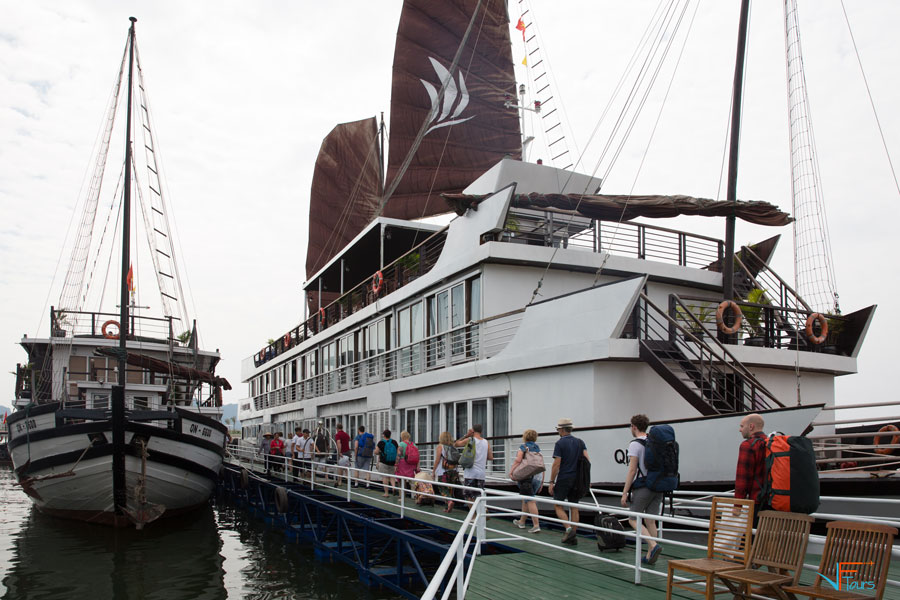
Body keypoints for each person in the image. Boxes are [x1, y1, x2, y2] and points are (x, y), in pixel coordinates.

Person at [620, 414, 662, 564]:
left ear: (634, 427)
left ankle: (653, 545)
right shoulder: (654, 441)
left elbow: (632, 470)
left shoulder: (635, 444)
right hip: (658, 485)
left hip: (644, 486)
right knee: (650, 521)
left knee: (633, 519)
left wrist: (625, 492)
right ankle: (651, 555)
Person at [548, 417, 588, 545]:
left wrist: (551, 481)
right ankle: (573, 534)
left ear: (561, 430)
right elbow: (587, 461)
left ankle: (568, 529)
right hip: (577, 479)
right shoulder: (580, 442)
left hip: (565, 477)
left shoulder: (560, 443)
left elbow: (556, 464)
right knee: (574, 506)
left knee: (558, 505)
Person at [509, 428, 542, 533]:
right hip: (537, 477)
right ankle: (522, 522)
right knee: (525, 499)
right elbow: (541, 463)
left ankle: (536, 525)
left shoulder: (523, 447)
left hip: (526, 477)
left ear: (525, 437)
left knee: (531, 500)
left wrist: (512, 471)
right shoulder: (537, 448)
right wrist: (542, 480)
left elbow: (518, 460)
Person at [454, 424, 493, 504]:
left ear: (473, 431)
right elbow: (490, 457)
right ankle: (483, 513)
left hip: (470, 473)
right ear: (481, 431)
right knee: (478, 497)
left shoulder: (469, 440)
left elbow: (456, 444)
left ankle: (474, 515)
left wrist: (466, 435)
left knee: (468, 496)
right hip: (481, 474)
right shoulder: (486, 442)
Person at [735, 413, 767, 507]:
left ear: (751, 426)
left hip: (757, 502)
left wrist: (737, 506)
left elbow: (743, 479)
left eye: (742, 426)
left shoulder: (748, 445)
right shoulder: (771, 443)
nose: (740, 430)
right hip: (772, 501)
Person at [432, 431, 461, 512]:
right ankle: (448, 507)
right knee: (450, 489)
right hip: (453, 470)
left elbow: (437, 460)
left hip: (443, 471)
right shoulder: (453, 446)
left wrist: (433, 471)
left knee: (442, 488)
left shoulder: (440, 447)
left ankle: (449, 502)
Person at [374, 429, 398, 497]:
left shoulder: (381, 442)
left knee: (385, 477)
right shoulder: (394, 442)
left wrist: (377, 452)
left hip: (383, 462)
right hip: (392, 462)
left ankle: (386, 493)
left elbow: (376, 452)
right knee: (392, 476)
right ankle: (393, 487)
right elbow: (397, 452)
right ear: (390, 435)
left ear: (383, 435)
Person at [395, 430, 419, 498]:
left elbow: (398, 455)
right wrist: (417, 466)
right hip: (412, 464)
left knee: (402, 481)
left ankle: (402, 497)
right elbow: (417, 457)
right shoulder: (414, 444)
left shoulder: (401, 444)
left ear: (402, 436)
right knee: (412, 481)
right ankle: (414, 496)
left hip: (403, 464)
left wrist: (396, 465)